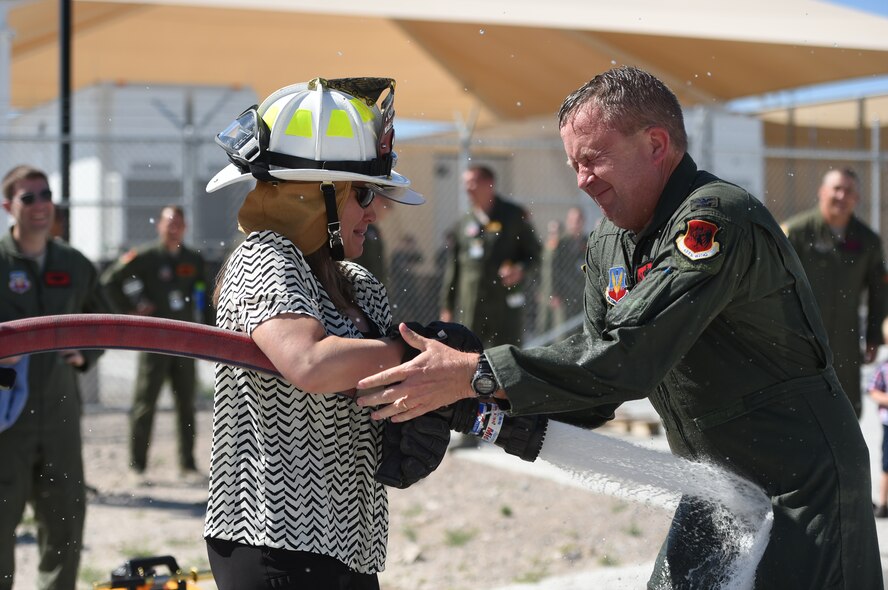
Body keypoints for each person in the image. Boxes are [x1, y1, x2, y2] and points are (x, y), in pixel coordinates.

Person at [356, 66, 882, 588]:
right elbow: (592, 391)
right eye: (573, 164)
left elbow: (624, 358)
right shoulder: (610, 240)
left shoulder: (716, 221)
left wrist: (476, 372)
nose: (582, 180)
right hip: (716, 490)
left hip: (801, 488)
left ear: (655, 145)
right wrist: (477, 410)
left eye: (592, 159)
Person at [202, 77, 447, 590]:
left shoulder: (358, 286)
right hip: (274, 539)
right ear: (317, 198)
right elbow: (309, 363)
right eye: (362, 194)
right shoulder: (264, 256)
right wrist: (412, 351)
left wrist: (443, 391)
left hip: (347, 544)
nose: (375, 211)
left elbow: (378, 379)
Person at [0, 165, 109, 590]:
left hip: (61, 413)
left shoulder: (74, 264)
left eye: (45, 195)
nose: (41, 204)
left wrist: (85, 354)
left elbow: (105, 323)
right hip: (7, 418)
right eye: (29, 197)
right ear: (8, 206)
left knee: (64, 517)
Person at [100, 205, 212, 483]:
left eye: (178, 223)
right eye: (168, 223)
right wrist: (131, 309)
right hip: (154, 342)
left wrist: (210, 331)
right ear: (158, 226)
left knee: (186, 402)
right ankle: (137, 466)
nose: (172, 228)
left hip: (185, 341)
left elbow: (204, 293)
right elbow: (111, 280)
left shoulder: (192, 259)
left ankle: (187, 465)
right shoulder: (147, 256)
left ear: (185, 227)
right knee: (145, 403)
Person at [782, 168, 887, 418]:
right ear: (821, 192)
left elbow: (879, 292)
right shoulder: (795, 232)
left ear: (857, 198)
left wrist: (873, 336)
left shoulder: (867, 240)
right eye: (836, 189)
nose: (841, 196)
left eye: (848, 191)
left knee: (846, 406)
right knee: (799, 405)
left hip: (845, 339)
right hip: (800, 336)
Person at [439, 165, 541, 347]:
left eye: (473, 182)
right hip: (472, 305)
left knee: (507, 357)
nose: (467, 188)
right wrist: (447, 306)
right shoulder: (464, 223)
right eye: (465, 183)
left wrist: (519, 269)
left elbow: (534, 253)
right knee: (469, 355)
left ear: (490, 184)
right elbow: (454, 268)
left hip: (504, 305)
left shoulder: (513, 216)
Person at [550, 206, 587, 335]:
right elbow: (554, 269)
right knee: (566, 330)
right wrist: (554, 293)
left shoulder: (587, 242)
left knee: (584, 327)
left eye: (577, 220)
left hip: (583, 291)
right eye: (572, 220)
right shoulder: (561, 243)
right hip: (566, 293)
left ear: (582, 222)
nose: (575, 224)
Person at [868, 316, 888, 518]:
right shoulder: (884, 367)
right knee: (887, 464)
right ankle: (883, 502)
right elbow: (872, 389)